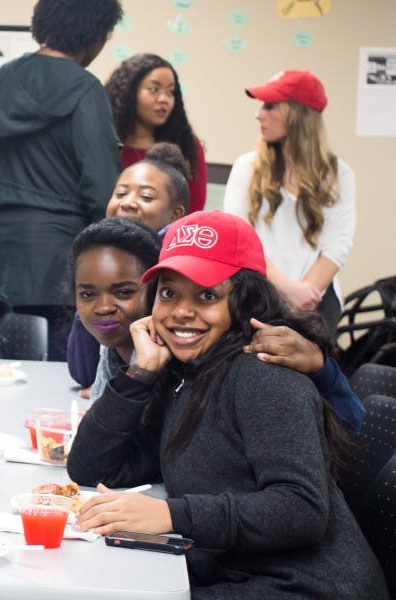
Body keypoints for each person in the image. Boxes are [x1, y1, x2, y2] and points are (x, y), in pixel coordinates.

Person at [67, 211, 387, 597]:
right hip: (234, 571)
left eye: (207, 296)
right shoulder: (184, 373)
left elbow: (301, 510)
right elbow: (90, 467)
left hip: (305, 586)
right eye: (169, 293)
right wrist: (140, 374)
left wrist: (171, 515)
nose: (182, 311)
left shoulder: (264, 375)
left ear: (245, 300)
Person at [0, 0, 123, 361]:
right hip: (59, 266)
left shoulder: (1, 80)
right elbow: (102, 190)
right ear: (96, 33)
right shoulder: (87, 90)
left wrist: (4, 215)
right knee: (53, 380)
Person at [224, 70, 354, 331]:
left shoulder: (339, 174)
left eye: (270, 106)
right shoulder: (246, 167)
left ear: (299, 115)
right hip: (257, 295)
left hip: (316, 301)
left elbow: (337, 244)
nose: (259, 114)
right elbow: (238, 236)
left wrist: (304, 295)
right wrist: (288, 290)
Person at [67, 143, 190, 392]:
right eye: (121, 193)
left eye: (145, 197)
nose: (128, 204)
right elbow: (83, 371)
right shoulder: (97, 256)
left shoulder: (181, 277)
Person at [105, 53, 207, 213]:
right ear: (129, 93)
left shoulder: (187, 147)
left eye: (170, 92)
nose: (164, 99)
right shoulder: (104, 143)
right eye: (154, 89)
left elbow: (192, 210)